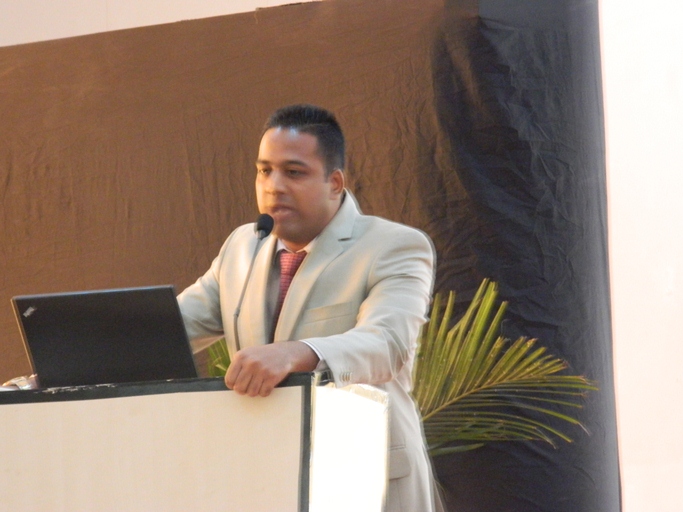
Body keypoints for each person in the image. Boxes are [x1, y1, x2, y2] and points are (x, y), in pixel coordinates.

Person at [177, 104, 438, 511]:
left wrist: (297, 353)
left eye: (293, 172)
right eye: (265, 171)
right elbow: (172, 328)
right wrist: (84, 349)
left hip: (365, 480)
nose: (274, 186)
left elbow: (388, 343)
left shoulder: (394, 246)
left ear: (334, 182)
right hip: (266, 480)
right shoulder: (242, 248)